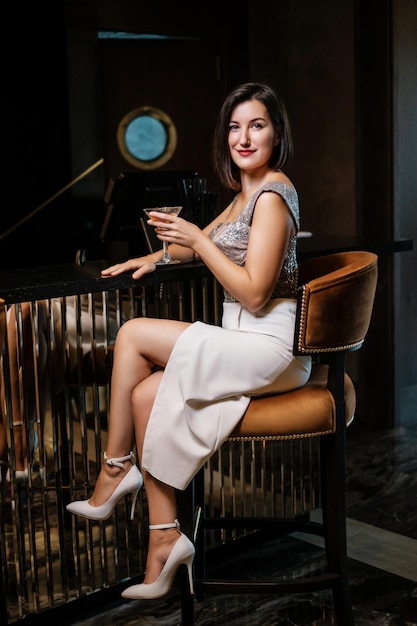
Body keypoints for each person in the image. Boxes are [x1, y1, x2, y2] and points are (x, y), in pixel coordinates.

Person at [66, 82, 312, 600]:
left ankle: (115, 471)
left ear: (276, 133)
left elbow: (253, 292)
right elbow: (195, 247)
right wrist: (153, 257)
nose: (243, 138)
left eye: (257, 125)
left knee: (132, 334)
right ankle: (165, 540)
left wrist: (198, 238)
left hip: (271, 347)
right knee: (145, 396)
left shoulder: (272, 195)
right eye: (234, 127)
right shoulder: (245, 193)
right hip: (241, 344)